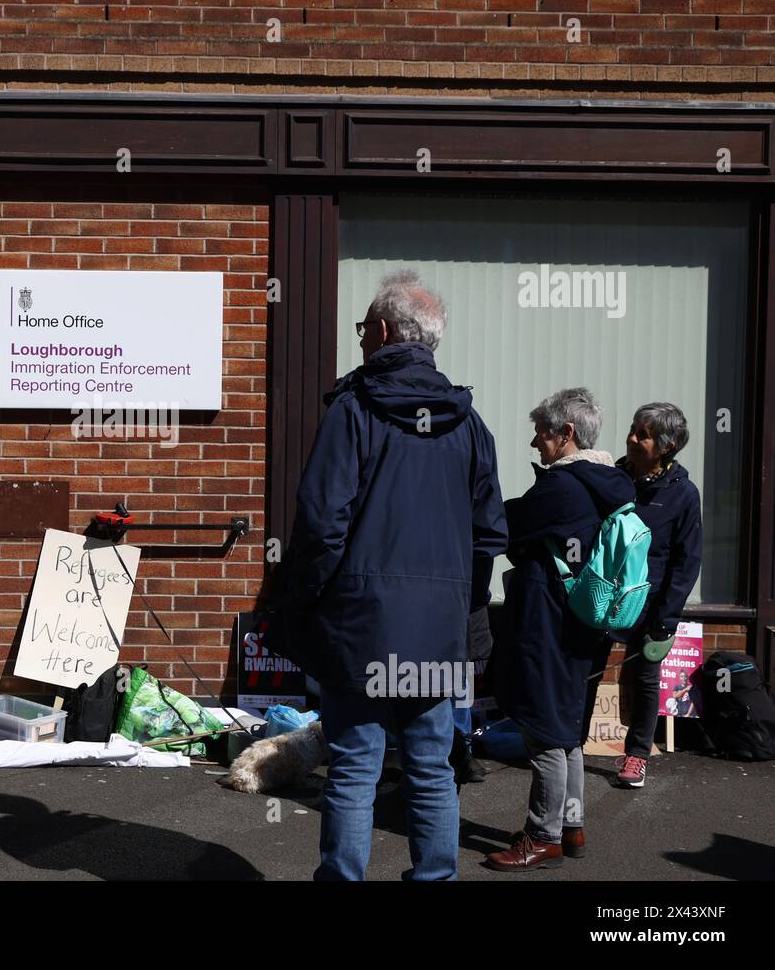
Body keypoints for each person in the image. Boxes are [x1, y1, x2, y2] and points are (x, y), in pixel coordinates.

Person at [272, 269, 507, 881]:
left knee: (354, 767)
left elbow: (322, 523)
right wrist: (461, 608)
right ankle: (435, 878)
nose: (358, 340)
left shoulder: (354, 411)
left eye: (361, 329)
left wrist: (305, 599)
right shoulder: (470, 425)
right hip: (436, 632)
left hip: (362, 625)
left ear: (381, 330)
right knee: (432, 767)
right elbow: (489, 533)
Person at [486, 387, 634, 871]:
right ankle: (572, 826)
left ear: (566, 434)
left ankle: (543, 835)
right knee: (568, 729)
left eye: (540, 434)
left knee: (545, 733)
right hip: (583, 624)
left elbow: (503, 524)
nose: (535, 444)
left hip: (549, 624)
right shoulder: (605, 483)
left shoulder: (562, 488)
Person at [596, 403, 702, 788]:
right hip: (602, 595)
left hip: (649, 601)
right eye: (632, 429)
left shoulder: (683, 494)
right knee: (583, 670)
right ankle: (569, 745)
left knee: (644, 678)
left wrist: (666, 618)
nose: (632, 439)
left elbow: (686, 561)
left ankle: (637, 754)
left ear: (667, 446)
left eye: (643, 434)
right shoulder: (612, 479)